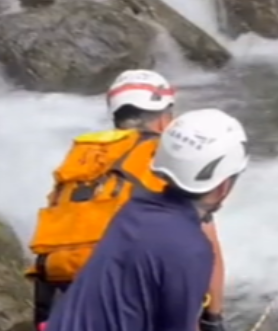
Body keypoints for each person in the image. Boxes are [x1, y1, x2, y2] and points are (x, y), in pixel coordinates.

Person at [25, 70, 230, 331]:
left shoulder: (85, 155)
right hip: (124, 292)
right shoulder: (163, 161)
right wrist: (214, 317)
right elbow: (207, 247)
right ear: (165, 119)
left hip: (57, 289)